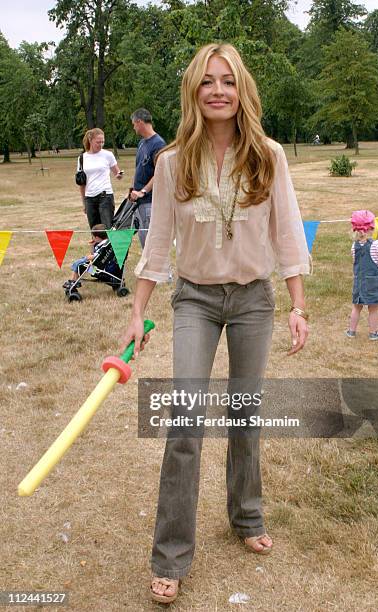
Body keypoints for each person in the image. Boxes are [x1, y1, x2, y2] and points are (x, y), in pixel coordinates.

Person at [120, 43, 310, 604]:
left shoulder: (268, 156)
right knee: (184, 422)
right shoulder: (171, 161)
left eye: (228, 81)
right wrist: (137, 312)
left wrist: (298, 305)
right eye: (208, 82)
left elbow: (289, 235)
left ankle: (247, 518)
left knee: (245, 415)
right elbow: (156, 247)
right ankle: (170, 555)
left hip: (254, 300)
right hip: (196, 300)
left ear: (241, 89)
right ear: (193, 92)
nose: (218, 91)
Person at [346, 209, 378, 340]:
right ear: (372, 227)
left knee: (356, 307)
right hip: (373, 284)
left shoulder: (354, 246)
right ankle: (373, 333)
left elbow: (355, 261)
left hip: (359, 282)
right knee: (373, 308)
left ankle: (351, 331)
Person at [128, 109, 166, 248]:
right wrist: (133, 188)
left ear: (139, 122)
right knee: (145, 243)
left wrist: (143, 191)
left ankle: (163, 271)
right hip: (139, 202)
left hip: (150, 201)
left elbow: (160, 173)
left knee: (153, 245)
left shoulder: (158, 144)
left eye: (134, 124)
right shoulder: (142, 143)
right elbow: (139, 168)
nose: (133, 127)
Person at [78, 128, 123, 229]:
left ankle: (108, 245)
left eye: (103, 141)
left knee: (107, 228)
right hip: (89, 198)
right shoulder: (82, 158)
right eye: (98, 142)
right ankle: (97, 245)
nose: (101, 144)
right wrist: (84, 202)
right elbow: (82, 184)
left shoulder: (108, 155)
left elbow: (117, 172)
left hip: (105, 196)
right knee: (95, 230)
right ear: (90, 140)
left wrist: (119, 175)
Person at [62, 224, 108, 289]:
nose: (93, 238)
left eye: (93, 237)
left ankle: (74, 282)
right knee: (81, 264)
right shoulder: (104, 243)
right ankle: (74, 281)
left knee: (80, 264)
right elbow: (94, 254)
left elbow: (95, 256)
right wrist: (92, 246)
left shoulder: (104, 246)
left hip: (98, 271)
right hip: (98, 267)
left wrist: (87, 258)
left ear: (97, 238)